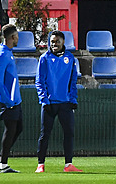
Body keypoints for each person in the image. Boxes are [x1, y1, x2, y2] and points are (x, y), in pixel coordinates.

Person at [35, 31, 83, 173]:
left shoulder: (70, 58)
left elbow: (73, 81)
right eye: (52, 41)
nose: (54, 44)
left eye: (57, 41)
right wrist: (44, 100)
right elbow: (39, 81)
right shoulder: (44, 58)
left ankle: (68, 165)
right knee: (45, 134)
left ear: (63, 42)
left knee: (69, 133)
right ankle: (40, 164)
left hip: (65, 103)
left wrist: (73, 99)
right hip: (49, 103)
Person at [0, 24, 23, 173]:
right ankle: (3, 164)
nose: (18, 38)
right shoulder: (3, 54)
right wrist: (8, 100)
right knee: (10, 130)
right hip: (9, 101)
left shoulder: (5, 51)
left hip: (15, 100)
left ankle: (1, 158)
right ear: (12, 37)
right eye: (17, 36)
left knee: (18, 129)